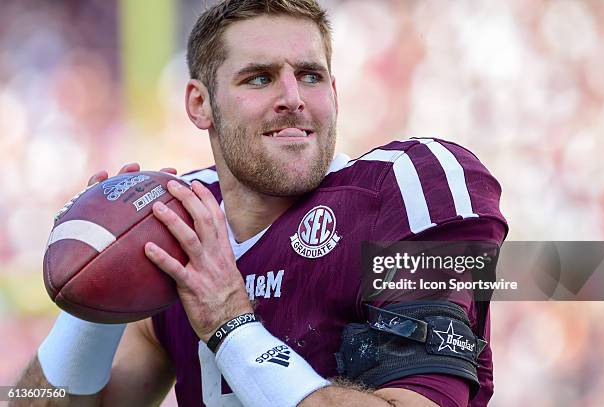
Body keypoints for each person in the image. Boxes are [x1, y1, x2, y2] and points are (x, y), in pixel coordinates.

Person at [14, 1, 508, 406]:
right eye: (259, 78)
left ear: (334, 92)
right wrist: (95, 287)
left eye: (311, 76)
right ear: (199, 104)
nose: (292, 97)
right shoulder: (181, 224)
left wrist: (232, 326)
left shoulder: (409, 186)